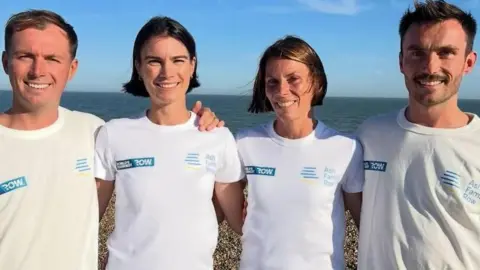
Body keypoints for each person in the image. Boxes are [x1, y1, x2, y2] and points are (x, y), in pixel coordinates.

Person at [0, 9, 221, 270]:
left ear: (72, 68)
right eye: (25, 56)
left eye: (52, 58)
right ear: (5, 62)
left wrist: (196, 123)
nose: (38, 70)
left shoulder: (94, 131)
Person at [94, 16, 245, 270]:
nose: (167, 72)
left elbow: (242, 222)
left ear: (192, 65)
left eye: (178, 60)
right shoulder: (113, 133)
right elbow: (87, 218)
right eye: (154, 61)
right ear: (139, 67)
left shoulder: (217, 137)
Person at [355, 1, 479, 269]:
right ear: (401, 61)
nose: (430, 67)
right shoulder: (370, 135)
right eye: (417, 53)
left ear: (468, 62)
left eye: (446, 53)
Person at [235, 35, 364, 270]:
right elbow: (217, 206)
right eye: (272, 82)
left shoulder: (346, 148)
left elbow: (365, 227)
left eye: (293, 79)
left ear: (316, 83)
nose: (282, 91)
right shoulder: (245, 142)